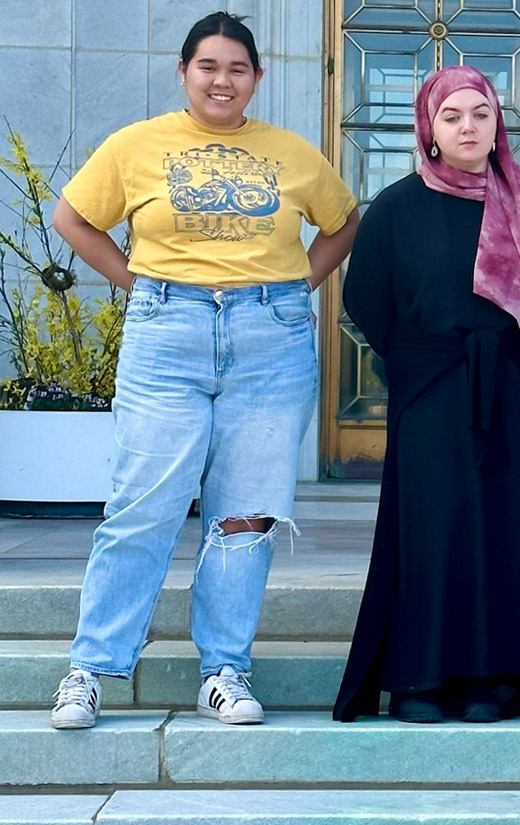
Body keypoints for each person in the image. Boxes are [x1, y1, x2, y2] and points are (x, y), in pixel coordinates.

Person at [48, 11, 359, 729]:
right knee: (142, 503)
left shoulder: (291, 152)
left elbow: (343, 221)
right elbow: (72, 218)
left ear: (257, 77)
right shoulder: (136, 145)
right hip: (168, 333)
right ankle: (90, 668)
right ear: (184, 72)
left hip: (270, 340)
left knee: (245, 514)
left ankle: (224, 670)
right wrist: (136, 283)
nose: (223, 81)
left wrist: (297, 286)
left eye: (237, 68)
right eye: (208, 67)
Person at [333, 65, 520, 724]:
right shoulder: (397, 206)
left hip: (517, 388)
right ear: (429, 129)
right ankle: (419, 677)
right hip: (432, 389)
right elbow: (366, 298)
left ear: (498, 124)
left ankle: (492, 679)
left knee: (506, 530)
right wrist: (421, 361)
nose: (469, 127)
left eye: (481, 114)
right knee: (434, 528)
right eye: (453, 115)